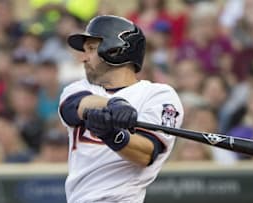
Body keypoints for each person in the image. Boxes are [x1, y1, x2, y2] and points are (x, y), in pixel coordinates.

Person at [59, 15, 184, 203]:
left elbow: (147, 153)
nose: (84, 58)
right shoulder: (78, 88)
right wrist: (113, 105)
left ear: (115, 50)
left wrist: (112, 134)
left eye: (91, 49)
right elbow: (73, 106)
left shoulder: (158, 95)